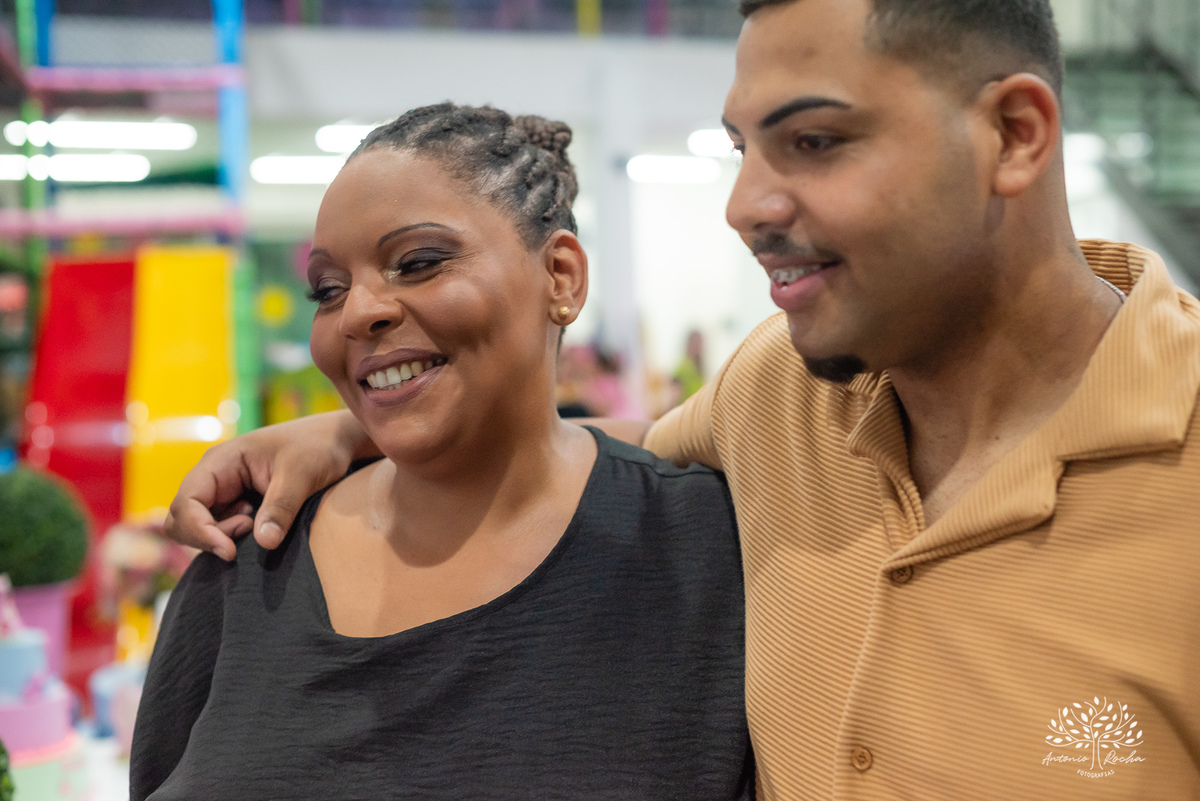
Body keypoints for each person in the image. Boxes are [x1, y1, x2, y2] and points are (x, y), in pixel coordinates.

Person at [165, 1, 1200, 798]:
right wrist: (357, 423)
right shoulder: (781, 397)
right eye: (741, 147)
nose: (745, 204)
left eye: (815, 142)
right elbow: (584, 448)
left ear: (1016, 136)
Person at [130, 104, 754, 800]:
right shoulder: (247, 561)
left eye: (418, 262)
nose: (359, 311)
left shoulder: (705, 550)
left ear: (562, 277)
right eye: (328, 289)